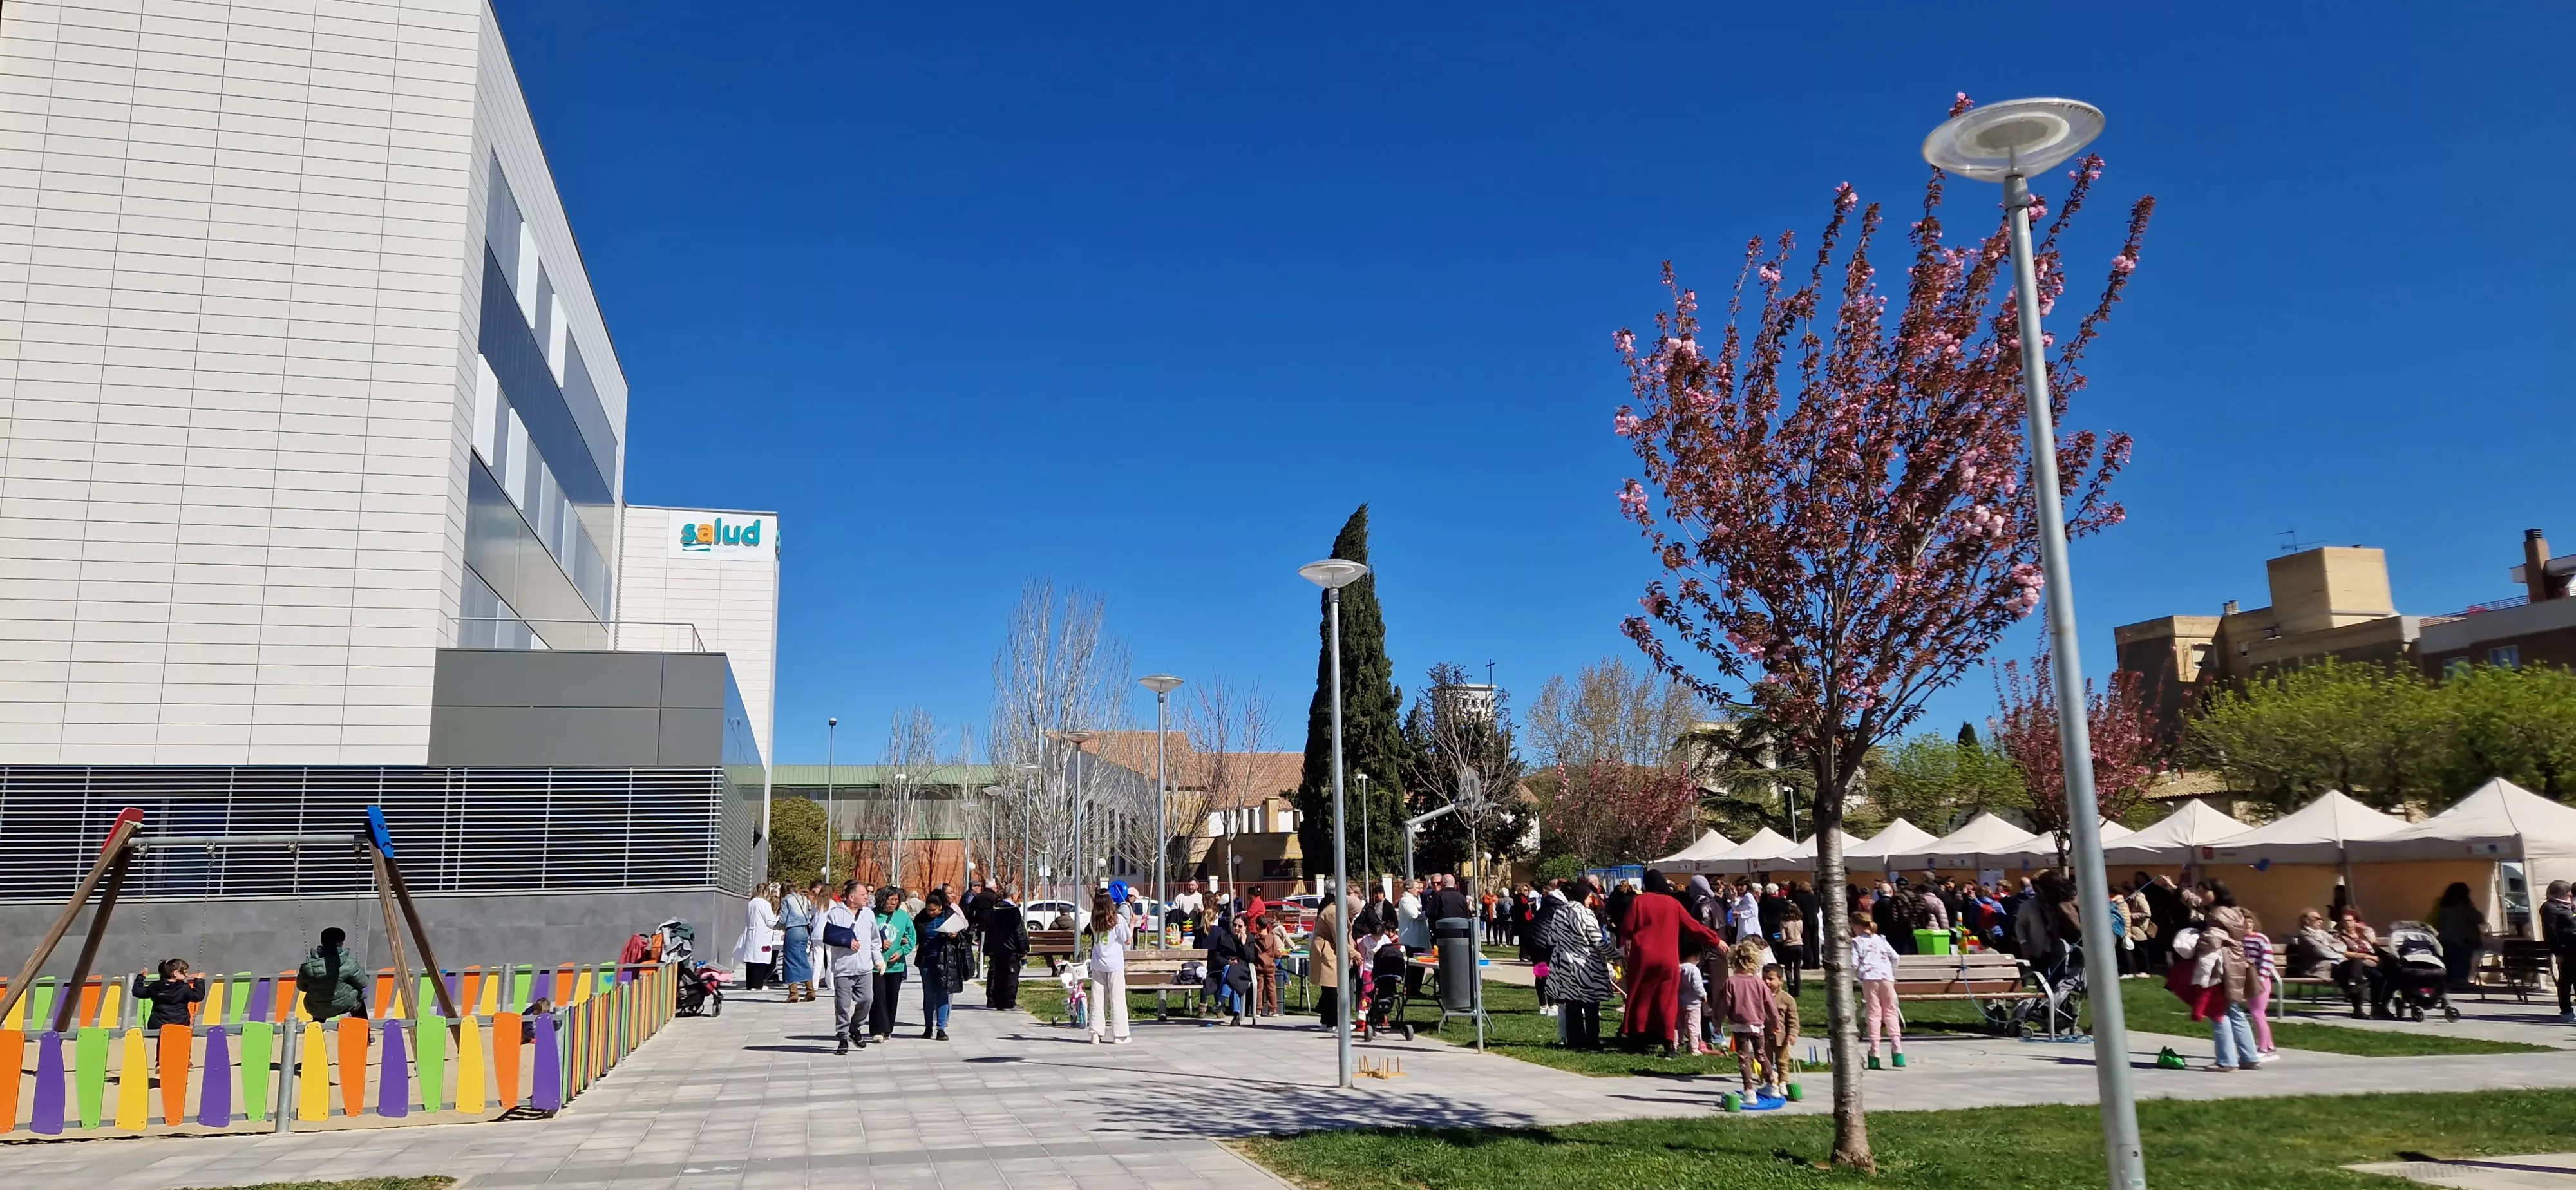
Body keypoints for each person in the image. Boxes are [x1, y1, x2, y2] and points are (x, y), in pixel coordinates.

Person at [1618, 869, 1730, 1055]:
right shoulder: (1673, 903)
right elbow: (1694, 927)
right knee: (1667, 1000)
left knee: (1641, 997)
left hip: (1644, 957)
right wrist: (1716, 940)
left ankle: (1638, 1038)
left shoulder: (1639, 901)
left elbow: (1627, 929)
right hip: (1668, 958)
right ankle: (1670, 1043)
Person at [1539, 882, 1612, 1051]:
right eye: (1588, 898)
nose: (1589, 901)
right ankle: (1593, 1042)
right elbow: (1598, 942)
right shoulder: (1586, 915)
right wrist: (1616, 955)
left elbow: (1551, 939)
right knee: (1591, 1004)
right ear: (1582, 897)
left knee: (1572, 1003)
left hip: (1565, 964)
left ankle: (1575, 1040)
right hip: (1586, 965)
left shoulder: (1560, 912)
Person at [821, 880, 880, 1053]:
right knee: (843, 1006)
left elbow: (875, 940)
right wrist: (847, 942)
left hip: (865, 968)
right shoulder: (836, 914)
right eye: (863, 895)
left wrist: (878, 960)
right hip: (843, 969)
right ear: (851, 897)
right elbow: (830, 936)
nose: (867, 898)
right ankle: (843, 1038)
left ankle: (855, 1027)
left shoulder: (869, 914)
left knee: (867, 999)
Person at [1718, 939, 1779, 1099]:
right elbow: (1770, 1005)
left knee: (1744, 1057)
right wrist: (1775, 1023)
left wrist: (1717, 1024)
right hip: (1758, 1024)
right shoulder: (1759, 982)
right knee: (1761, 1054)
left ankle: (1749, 1090)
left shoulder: (1731, 982)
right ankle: (1772, 1085)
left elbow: (1724, 1005)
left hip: (1739, 1025)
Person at [914, 887, 969, 1040]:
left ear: (941, 907)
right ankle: (928, 1027)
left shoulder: (949, 916)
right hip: (926, 960)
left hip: (945, 960)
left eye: (934, 910)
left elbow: (964, 937)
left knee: (943, 993)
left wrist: (955, 936)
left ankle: (941, 1028)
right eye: (929, 909)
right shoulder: (921, 918)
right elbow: (914, 934)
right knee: (929, 994)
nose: (931, 913)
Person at [1852, 914, 1902, 1068]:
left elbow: (1854, 963)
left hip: (1869, 978)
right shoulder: (1881, 939)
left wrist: (1858, 976)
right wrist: (1890, 973)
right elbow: (1895, 957)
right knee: (1891, 1012)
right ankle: (1897, 1049)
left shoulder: (1856, 942)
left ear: (1857, 926)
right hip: (1887, 978)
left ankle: (1875, 1051)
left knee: (1874, 1013)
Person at [869, 887, 918, 1043]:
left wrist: (902, 951)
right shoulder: (872, 915)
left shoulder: (903, 916)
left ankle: (888, 1028)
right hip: (874, 965)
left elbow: (912, 938)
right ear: (882, 900)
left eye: (896, 901)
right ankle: (878, 1030)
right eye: (891, 901)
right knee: (878, 997)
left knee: (892, 998)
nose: (893, 904)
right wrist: (877, 943)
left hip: (895, 965)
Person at [1085, 891, 1133, 1044]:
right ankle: (1120, 1035)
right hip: (1115, 964)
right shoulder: (1118, 920)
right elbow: (1127, 940)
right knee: (1117, 998)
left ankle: (1095, 1033)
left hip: (1098, 963)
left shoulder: (1094, 920)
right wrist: (1132, 924)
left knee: (1098, 999)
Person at [296, 927, 367, 1021]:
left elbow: (301, 987)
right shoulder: (349, 963)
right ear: (339, 943)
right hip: (344, 1005)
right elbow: (363, 983)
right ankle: (364, 1031)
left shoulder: (308, 965)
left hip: (316, 1007)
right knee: (359, 1001)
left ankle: (316, 1029)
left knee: (319, 1004)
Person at [2333, 908, 2392, 1019]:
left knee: (2380, 978)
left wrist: (2362, 928)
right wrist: (2368, 956)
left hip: (2369, 963)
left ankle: (2377, 1008)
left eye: (2350, 921)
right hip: (2353, 963)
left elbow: (2369, 931)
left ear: (2356, 922)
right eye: (2345, 921)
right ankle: (2358, 1009)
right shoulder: (2338, 935)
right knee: (2361, 978)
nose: (2348, 923)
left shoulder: (2362, 934)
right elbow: (2344, 953)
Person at [980, 883, 1028, 1010]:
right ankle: (1009, 1002)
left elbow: (989, 930)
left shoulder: (994, 909)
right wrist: (1023, 949)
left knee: (998, 975)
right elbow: (1019, 933)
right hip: (1011, 949)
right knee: (1011, 976)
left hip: (996, 949)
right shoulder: (1013, 911)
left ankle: (997, 1001)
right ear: (1013, 895)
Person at [138, 959, 205, 1044]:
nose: (187, 975)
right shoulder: (184, 988)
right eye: (185, 972)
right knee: (179, 1047)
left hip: (158, 1025)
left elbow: (139, 992)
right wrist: (199, 981)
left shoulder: (154, 986)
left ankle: (161, 1058)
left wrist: (140, 978)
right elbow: (198, 997)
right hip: (180, 1024)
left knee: (163, 1047)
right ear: (175, 973)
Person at [2434, 882, 2486, 990]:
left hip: (2444, 937)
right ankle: (2460, 983)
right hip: (2462, 938)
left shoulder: (2442, 904)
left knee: (2449, 961)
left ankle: (2449, 982)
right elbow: (2477, 918)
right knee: (2462, 961)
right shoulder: (2464, 905)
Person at [778, 882, 820, 1003]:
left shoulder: (787, 899)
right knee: (803, 959)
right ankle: (810, 991)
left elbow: (783, 919)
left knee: (790, 960)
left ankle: (793, 993)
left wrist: (775, 926)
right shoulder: (803, 897)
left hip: (793, 930)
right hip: (805, 930)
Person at [734, 884, 781, 990]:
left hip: (751, 932)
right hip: (762, 933)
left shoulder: (751, 903)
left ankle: (750, 984)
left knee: (751, 960)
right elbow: (770, 921)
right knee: (761, 960)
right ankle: (758, 985)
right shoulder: (764, 904)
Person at [2543, 880, 2576, 1024]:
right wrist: (2558, 952)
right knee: (2566, 981)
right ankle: (2566, 1010)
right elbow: (2550, 932)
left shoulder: (2568, 907)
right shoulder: (2551, 908)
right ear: (2563, 893)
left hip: (2573, 948)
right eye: (2568, 892)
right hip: (2566, 949)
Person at [1763, 963, 1801, 1092]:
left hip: (1782, 1037)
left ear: (1780, 981)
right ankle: (1770, 1083)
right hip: (1765, 1036)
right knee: (1766, 1061)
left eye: (1771, 979)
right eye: (1764, 979)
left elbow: (1793, 1019)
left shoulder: (1787, 999)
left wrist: (1793, 1034)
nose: (1767, 982)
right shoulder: (1760, 997)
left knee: (1782, 1061)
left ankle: (1783, 1083)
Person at [1254, 911, 1290, 1019]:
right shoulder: (1272, 938)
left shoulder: (1256, 939)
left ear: (1257, 926)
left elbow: (1254, 953)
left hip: (1259, 967)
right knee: (1272, 988)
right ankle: (1273, 1009)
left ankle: (1258, 1010)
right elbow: (1276, 953)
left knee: (1259, 989)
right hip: (1270, 967)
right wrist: (1279, 953)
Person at [1676, 956, 1708, 1056]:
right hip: (1693, 1004)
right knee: (1693, 1026)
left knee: (1678, 1026)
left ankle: (1675, 1044)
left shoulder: (1677, 968)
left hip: (1680, 1001)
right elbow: (1697, 986)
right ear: (1696, 958)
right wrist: (1703, 995)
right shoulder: (1694, 969)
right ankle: (1694, 1048)